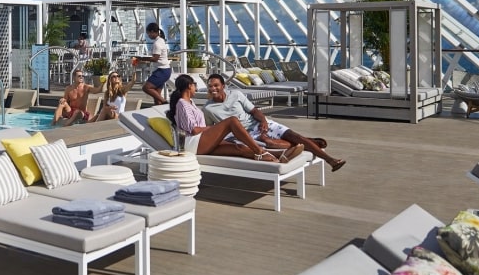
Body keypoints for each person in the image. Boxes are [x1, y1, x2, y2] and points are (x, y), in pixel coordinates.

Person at [204, 73, 346, 172]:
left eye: (216, 85)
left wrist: (263, 121)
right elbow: (210, 130)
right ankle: (310, 142)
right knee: (270, 143)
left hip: (258, 124)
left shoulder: (236, 95)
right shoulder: (208, 108)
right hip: (244, 136)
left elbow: (254, 111)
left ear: (223, 85)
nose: (213, 89)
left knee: (295, 136)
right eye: (210, 86)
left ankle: (331, 160)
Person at [168, 74, 300, 162]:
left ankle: (279, 155)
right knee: (232, 121)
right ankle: (260, 151)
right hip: (193, 144)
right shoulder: (182, 104)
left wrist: (214, 131)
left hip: (201, 142)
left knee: (239, 148)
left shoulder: (190, 102)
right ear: (189, 86)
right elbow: (194, 130)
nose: (195, 87)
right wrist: (215, 129)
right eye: (194, 84)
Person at [140, 22, 172, 105]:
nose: (148, 36)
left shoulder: (157, 43)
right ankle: (160, 108)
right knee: (156, 96)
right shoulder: (160, 40)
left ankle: (165, 102)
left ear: (152, 32)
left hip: (162, 71)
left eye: (148, 33)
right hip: (164, 70)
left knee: (146, 88)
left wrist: (142, 58)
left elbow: (155, 58)